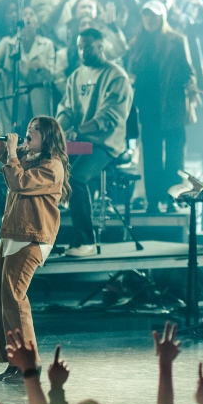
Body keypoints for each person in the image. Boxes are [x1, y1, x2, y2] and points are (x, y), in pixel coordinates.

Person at [0, 90, 69, 383]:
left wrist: (13, 152)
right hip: (12, 233)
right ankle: (15, 362)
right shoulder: (26, 154)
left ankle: (30, 363)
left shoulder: (52, 167)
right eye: (27, 131)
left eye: (33, 133)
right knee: (0, 297)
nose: (26, 136)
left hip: (32, 237)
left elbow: (19, 182)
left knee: (14, 296)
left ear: (47, 138)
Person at [55, 28, 133, 257]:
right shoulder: (76, 76)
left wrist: (78, 130)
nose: (82, 51)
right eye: (79, 47)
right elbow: (67, 109)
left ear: (101, 46)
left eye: (87, 46)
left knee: (75, 178)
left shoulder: (116, 76)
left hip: (105, 143)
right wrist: (58, 129)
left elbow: (108, 117)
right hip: (78, 140)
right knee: (48, 166)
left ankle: (86, 241)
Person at [128, 0, 199, 214]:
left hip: (172, 104)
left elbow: (188, 70)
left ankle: (171, 198)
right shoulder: (136, 43)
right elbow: (131, 73)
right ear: (142, 18)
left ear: (163, 17)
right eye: (146, 15)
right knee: (151, 155)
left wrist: (192, 87)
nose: (150, 19)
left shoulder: (177, 40)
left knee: (175, 155)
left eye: (154, 15)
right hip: (148, 106)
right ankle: (152, 201)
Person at [0, 6, 58, 124]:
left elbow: (53, 75)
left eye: (31, 14)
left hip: (39, 100)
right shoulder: (7, 43)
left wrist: (42, 68)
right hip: (15, 98)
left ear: (37, 22)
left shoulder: (47, 44)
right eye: (24, 14)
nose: (28, 17)